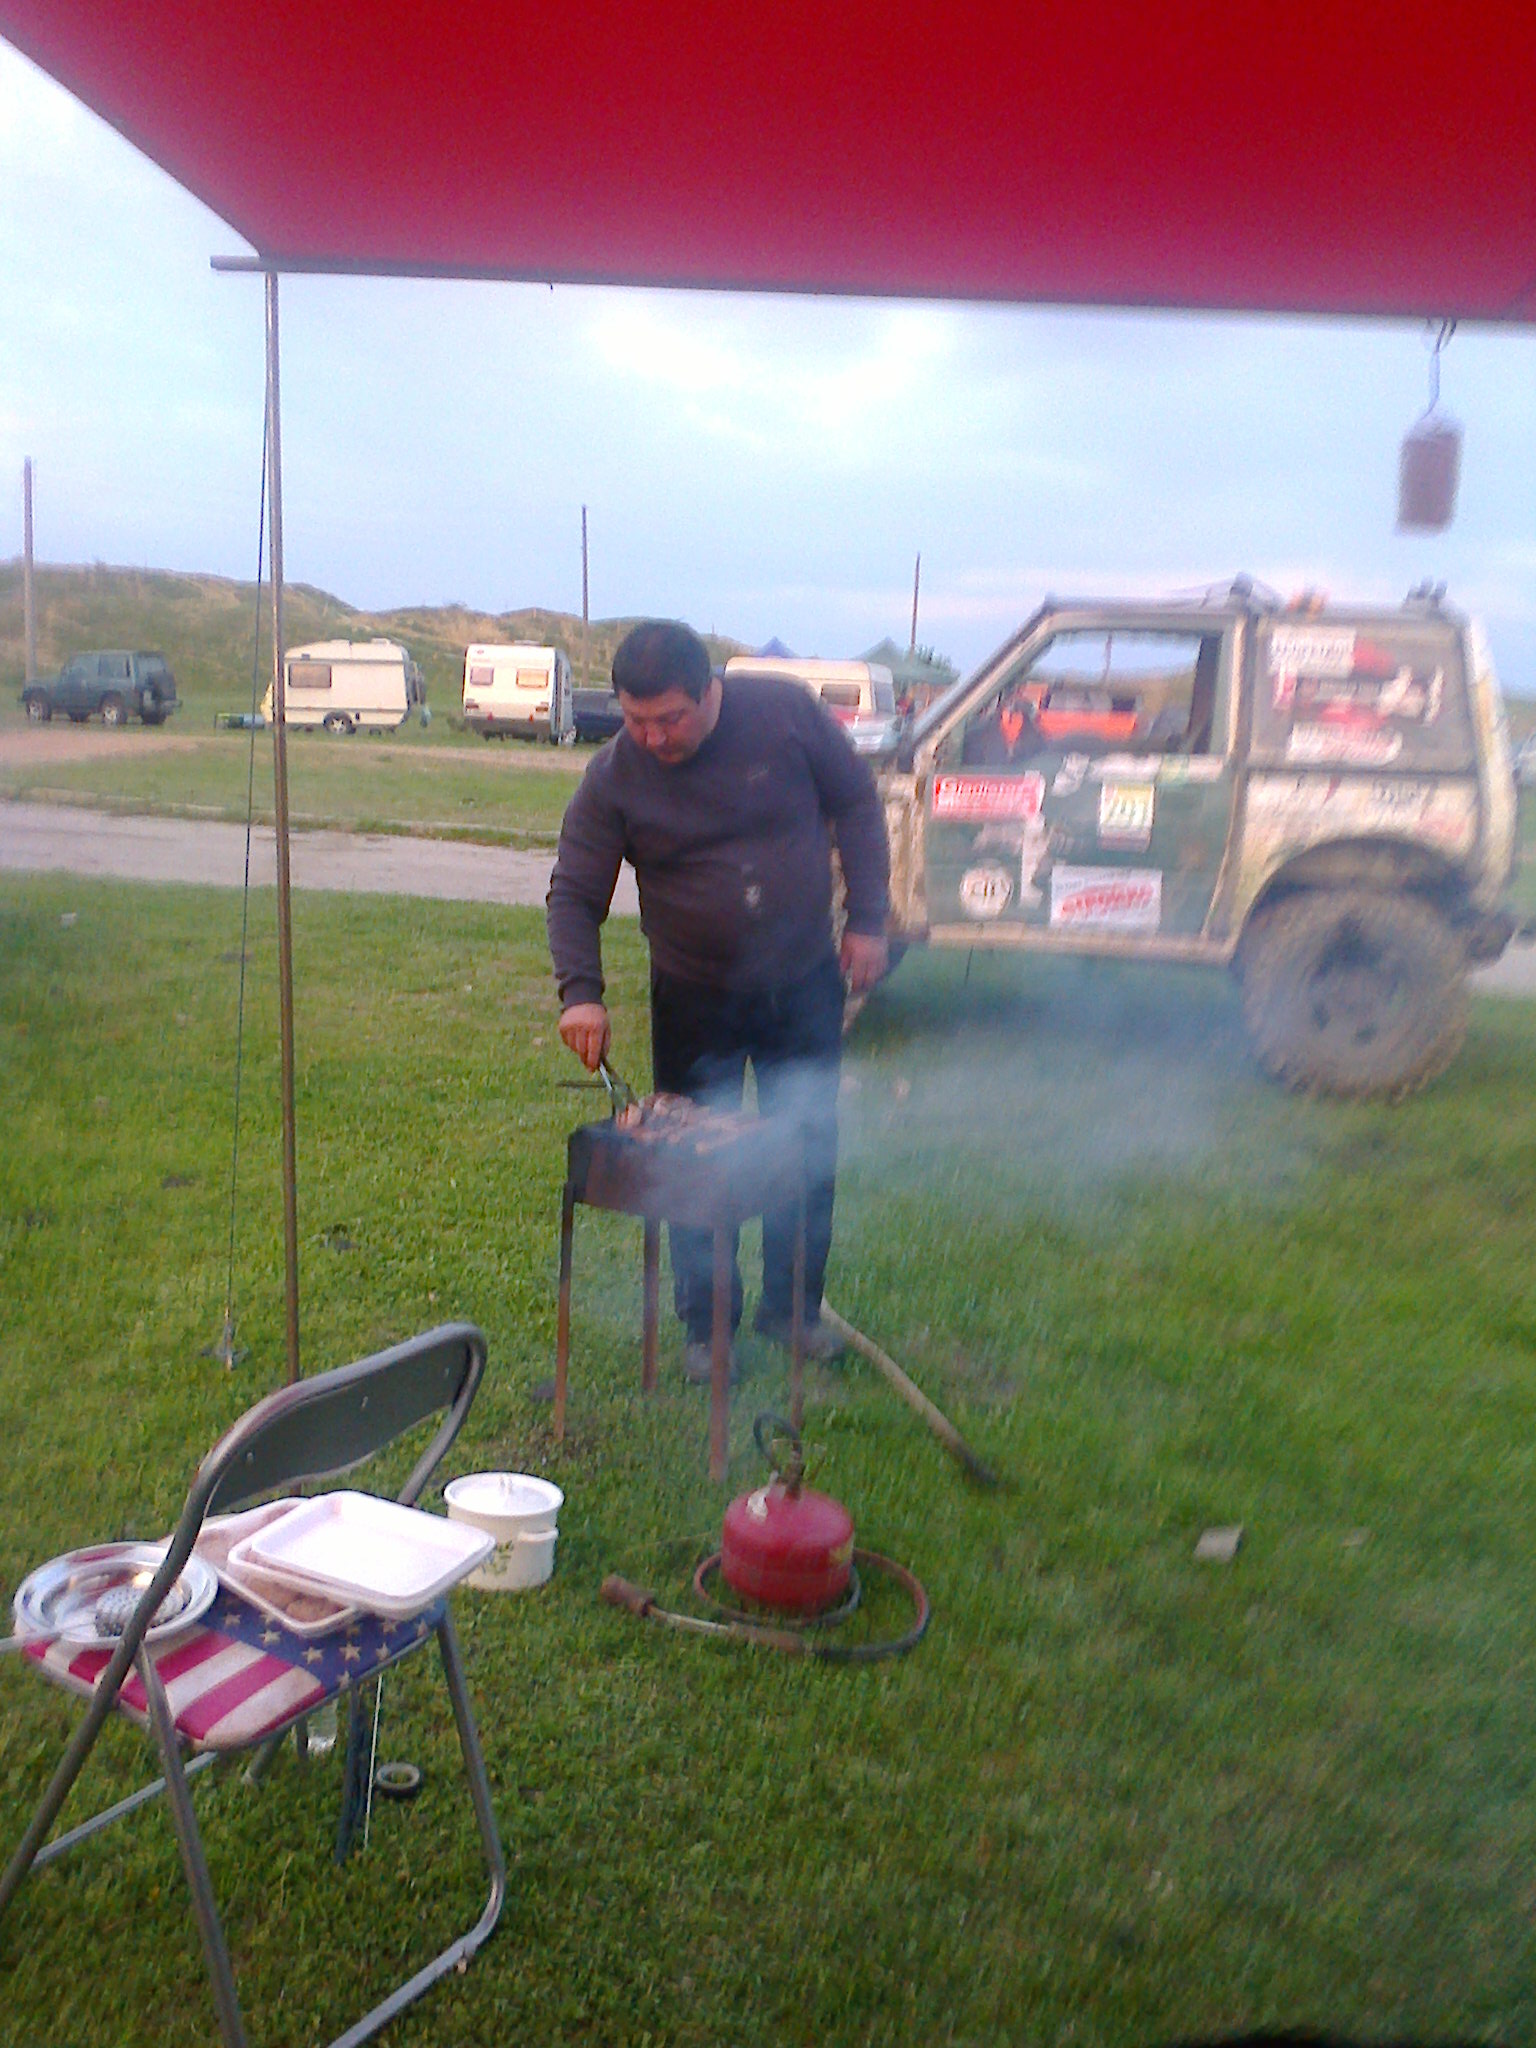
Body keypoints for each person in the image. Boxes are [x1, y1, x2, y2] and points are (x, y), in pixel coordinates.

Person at [546, 620, 890, 1384]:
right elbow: (573, 892)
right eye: (636, 720)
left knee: (806, 1146)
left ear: (710, 691)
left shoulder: (784, 715)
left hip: (801, 980)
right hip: (693, 994)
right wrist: (581, 994)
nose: (654, 737)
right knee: (692, 1165)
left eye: (670, 718)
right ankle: (707, 1327)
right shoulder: (615, 774)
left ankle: (792, 1310)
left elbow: (858, 803)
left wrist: (868, 918)